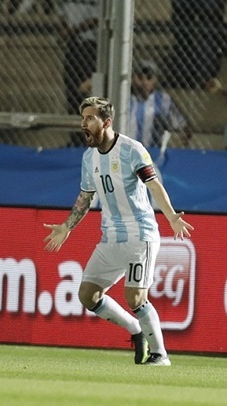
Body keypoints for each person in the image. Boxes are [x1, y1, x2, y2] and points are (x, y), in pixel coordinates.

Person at [43, 96, 194, 366]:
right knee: (87, 295)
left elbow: (154, 185)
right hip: (111, 237)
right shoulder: (89, 158)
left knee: (135, 296)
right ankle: (136, 330)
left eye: (90, 118)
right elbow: (85, 197)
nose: (83, 124)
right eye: (82, 119)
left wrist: (171, 217)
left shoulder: (131, 150)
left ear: (107, 122)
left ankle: (161, 355)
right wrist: (67, 226)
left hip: (140, 234)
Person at [129, 60, 191, 148]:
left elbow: (182, 126)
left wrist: (182, 135)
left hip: (152, 151)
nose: (144, 82)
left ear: (155, 80)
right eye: (140, 77)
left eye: (149, 77)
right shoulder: (125, 98)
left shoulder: (163, 100)